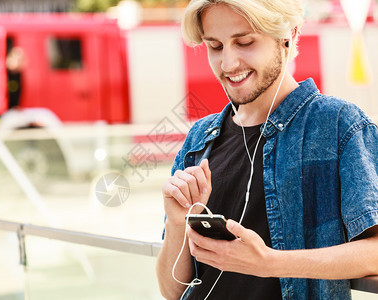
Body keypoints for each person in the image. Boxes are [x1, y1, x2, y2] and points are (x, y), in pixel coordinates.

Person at [156, 0, 378, 299]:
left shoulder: (338, 125)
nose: (228, 64)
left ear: (288, 35)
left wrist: (269, 262)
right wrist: (176, 222)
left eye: (245, 42)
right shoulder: (199, 138)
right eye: (215, 47)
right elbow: (172, 291)